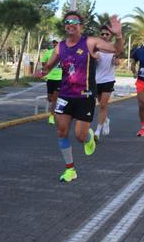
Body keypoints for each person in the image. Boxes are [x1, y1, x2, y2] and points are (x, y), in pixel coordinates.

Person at [41, 11, 123, 183]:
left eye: (74, 21)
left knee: (80, 136)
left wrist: (119, 35)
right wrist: (42, 71)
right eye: (67, 21)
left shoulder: (90, 42)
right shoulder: (60, 47)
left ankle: (88, 137)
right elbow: (49, 66)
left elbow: (117, 50)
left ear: (81, 26)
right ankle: (70, 170)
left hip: (85, 96)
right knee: (61, 131)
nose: (70, 24)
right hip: (65, 95)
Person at [94, 24, 119, 140]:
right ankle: (106, 120)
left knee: (103, 105)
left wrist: (115, 60)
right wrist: (94, 58)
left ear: (111, 35)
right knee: (101, 105)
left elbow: (117, 62)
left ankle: (97, 132)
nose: (104, 36)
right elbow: (91, 63)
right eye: (102, 34)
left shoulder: (113, 48)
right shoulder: (95, 48)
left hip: (108, 80)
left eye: (107, 34)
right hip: (96, 80)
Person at [41, 39, 62, 124]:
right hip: (50, 78)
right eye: (54, 42)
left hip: (59, 78)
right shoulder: (48, 53)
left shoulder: (64, 53)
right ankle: (56, 106)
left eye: (57, 42)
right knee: (49, 98)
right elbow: (43, 63)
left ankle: (51, 116)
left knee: (54, 99)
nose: (55, 44)